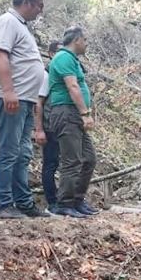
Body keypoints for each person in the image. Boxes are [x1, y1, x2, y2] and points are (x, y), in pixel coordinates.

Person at [0, 0, 50, 219]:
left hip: (25, 100)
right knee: (9, 152)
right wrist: (8, 91)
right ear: (28, 2)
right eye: (39, 5)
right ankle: (3, 205)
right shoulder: (7, 21)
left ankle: (23, 203)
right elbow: (0, 54)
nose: (41, 10)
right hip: (11, 98)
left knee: (22, 154)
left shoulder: (21, 26)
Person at [47, 26, 98, 218]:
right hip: (67, 113)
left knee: (89, 158)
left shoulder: (73, 60)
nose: (86, 44)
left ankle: (77, 200)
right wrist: (85, 113)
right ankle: (64, 203)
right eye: (84, 40)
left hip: (75, 114)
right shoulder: (63, 58)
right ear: (76, 40)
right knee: (72, 160)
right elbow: (72, 86)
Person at [34, 40, 61, 214]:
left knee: (64, 163)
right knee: (50, 164)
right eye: (58, 52)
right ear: (50, 54)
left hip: (62, 126)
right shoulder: (46, 74)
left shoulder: (62, 73)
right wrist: (39, 129)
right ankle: (52, 202)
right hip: (50, 126)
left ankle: (64, 200)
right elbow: (38, 102)